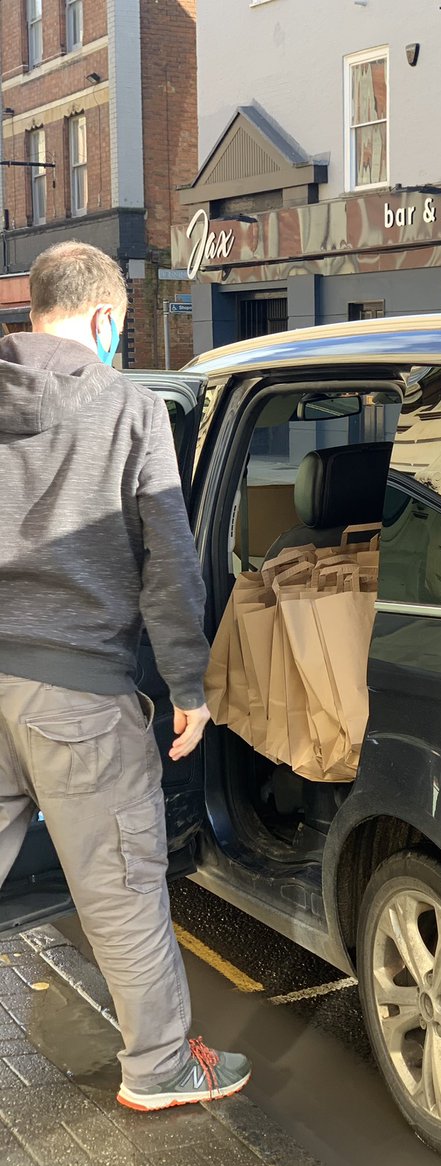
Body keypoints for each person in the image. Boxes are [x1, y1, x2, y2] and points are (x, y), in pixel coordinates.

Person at [0, 241, 250, 1111]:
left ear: (35, 310)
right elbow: (169, 568)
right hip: (78, 695)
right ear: (106, 320)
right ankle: (162, 1070)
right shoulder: (131, 410)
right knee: (122, 890)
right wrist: (189, 689)